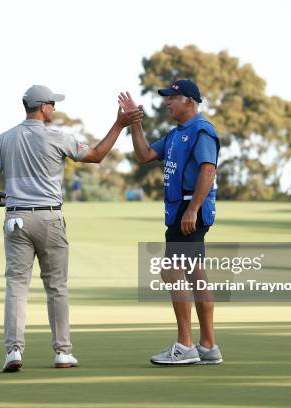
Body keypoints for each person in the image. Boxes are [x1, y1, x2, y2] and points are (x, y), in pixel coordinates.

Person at [0, 84, 143, 373]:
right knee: (56, 287)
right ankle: (62, 353)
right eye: (52, 104)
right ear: (43, 107)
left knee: (16, 287)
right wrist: (119, 124)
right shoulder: (58, 137)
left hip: (15, 219)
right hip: (49, 219)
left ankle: (13, 350)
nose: (55, 109)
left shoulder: (5, 138)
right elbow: (96, 155)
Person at [119, 80, 223, 365]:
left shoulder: (202, 131)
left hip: (190, 211)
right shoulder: (176, 134)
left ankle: (185, 344)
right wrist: (134, 124)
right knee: (195, 276)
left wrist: (193, 209)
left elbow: (208, 170)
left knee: (171, 272)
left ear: (189, 101)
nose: (167, 102)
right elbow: (144, 156)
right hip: (181, 211)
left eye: (173, 98)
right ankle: (208, 346)